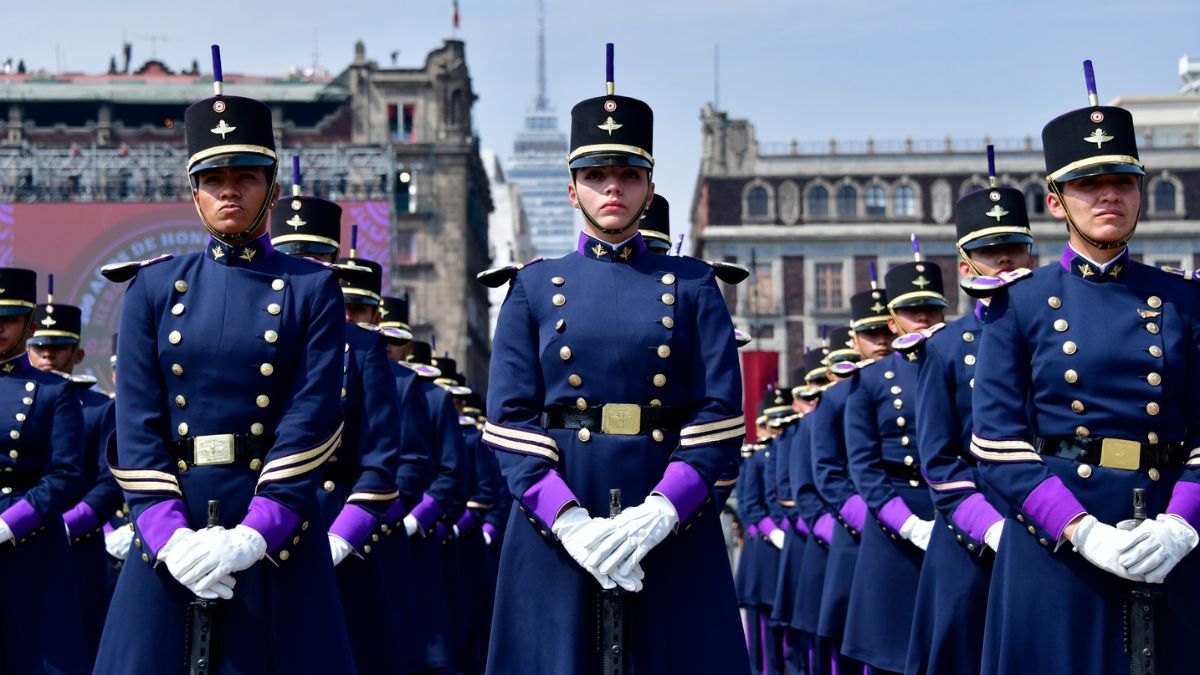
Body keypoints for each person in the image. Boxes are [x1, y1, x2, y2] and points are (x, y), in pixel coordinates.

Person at [482, 43, 748, 673]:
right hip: (560, 507)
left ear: (650, 187)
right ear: (571, 188)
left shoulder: (692, 284)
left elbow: (718, 414)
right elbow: (510, 419)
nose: (612, 188)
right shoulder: (532, 286)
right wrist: (568, 519)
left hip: (668, 508)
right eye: (597, 176)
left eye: (627, 175)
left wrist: (662, 511)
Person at [93, 46, 354, 674]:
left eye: (244, 177)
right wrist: (167, 535)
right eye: (214, 180)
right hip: (172, 525)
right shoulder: (153, 289)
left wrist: (255, 532)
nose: (229, 192)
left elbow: (311, 419)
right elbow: (136, 424)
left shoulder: (311, 288)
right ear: (195, 192)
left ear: (271, 186)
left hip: (274, 530)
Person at [971, 61, 1200, 674]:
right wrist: (1081, 530)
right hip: (1059, 539)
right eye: (1089, 184)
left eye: (1124, 181)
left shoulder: (1187, 300)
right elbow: (995, 444)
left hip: (1167, 524)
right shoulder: (1017, 304)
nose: (1109, 196)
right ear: (1055, 202)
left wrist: (1183, 521)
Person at [272, 172, 413, 675]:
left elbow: (380, 464)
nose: (303, 269)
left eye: (316, 259)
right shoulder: (245, 340)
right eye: (291, 257)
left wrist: (342, 537)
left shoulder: (366, 349)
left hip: (333, 531)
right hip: (251, 533)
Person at [901, 148, 1033, 675]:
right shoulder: (946, 347)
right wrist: (992, 528)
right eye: (990, 249)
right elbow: (939, 460)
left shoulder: (1055, 335)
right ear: (964, 265)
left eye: (1015, 247)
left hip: (1058, 530)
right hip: (976, 540)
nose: (1005, 259)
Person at [841, 254, 945, 673]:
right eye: (910, 310)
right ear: (892, 319)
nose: (922, 317)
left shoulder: (959, 366)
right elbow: (865, 469)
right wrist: (906, 523)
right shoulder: (868, 381)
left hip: (954, 514)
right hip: (895, 525)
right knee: (892, 655)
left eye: (932, 308)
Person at [0, 267, 88, 674]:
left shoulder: (55, 392)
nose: (0, 328)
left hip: (28, 545)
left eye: (10, 320)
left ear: (29, 324)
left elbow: (67, 475)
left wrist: (10, 524)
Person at [26, 286, 121, 664]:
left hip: (72, 545)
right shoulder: (14, 397)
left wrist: (63, 526)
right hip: (11, 540)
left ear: (78, 354)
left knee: (72, 646)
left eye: (59, 348)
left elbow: (108, 481)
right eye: (40, 347)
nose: (48, 356)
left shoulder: (98, 408)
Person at [810, 286, 890, 675]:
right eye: (871, 335)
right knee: (856, 650)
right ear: (856, 339)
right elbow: (828, 475)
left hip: (921, 527)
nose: (882, 342)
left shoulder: (921, 381)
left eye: (886, 332)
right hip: (860, 533)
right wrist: (879, 520)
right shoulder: (837, 398)